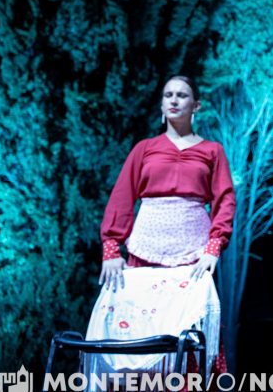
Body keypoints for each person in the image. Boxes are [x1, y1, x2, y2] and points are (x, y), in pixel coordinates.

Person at [93, 75, 235, 374]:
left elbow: (225, 200)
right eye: (168, 94)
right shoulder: (145, 149)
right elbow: (122, 196)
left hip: (193, 256)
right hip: (145, 249)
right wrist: (111, 249)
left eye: (181, 95)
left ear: (195, 105)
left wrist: (213, 248)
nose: (173, 100)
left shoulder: (212, 151)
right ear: (161, 103)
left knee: (189, 326)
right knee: (140, 322)